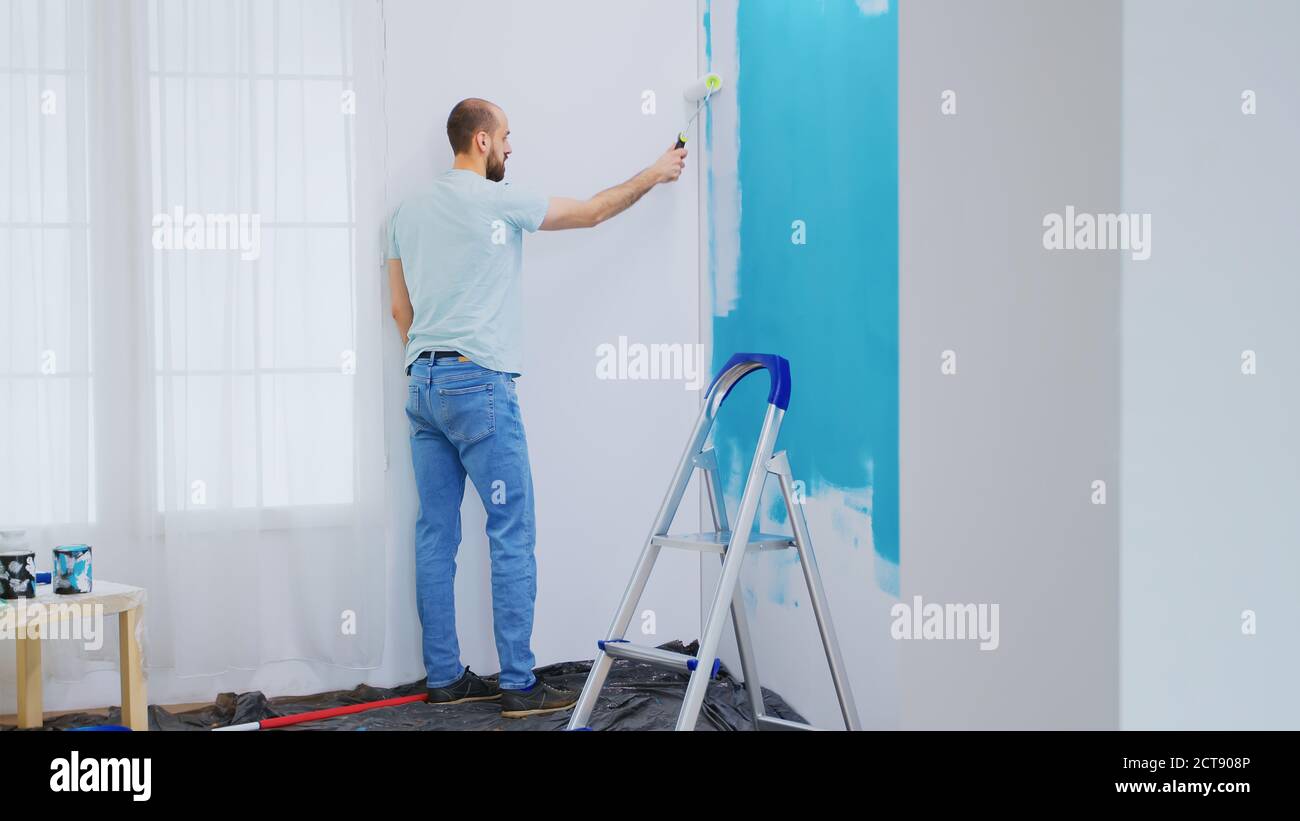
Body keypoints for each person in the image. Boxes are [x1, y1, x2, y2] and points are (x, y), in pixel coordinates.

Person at [387, 97, 686, 717]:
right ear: (480, 141)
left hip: (423, 385)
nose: (511, 148)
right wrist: (654, 173)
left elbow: (400, 311)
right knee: (511, 534)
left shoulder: (405, 213)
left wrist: (432, 369)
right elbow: (594, 211)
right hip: (480, 386)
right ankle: (519, 685)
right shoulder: (501, 200)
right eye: (505, 138)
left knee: (435, 535)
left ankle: (443, 678)